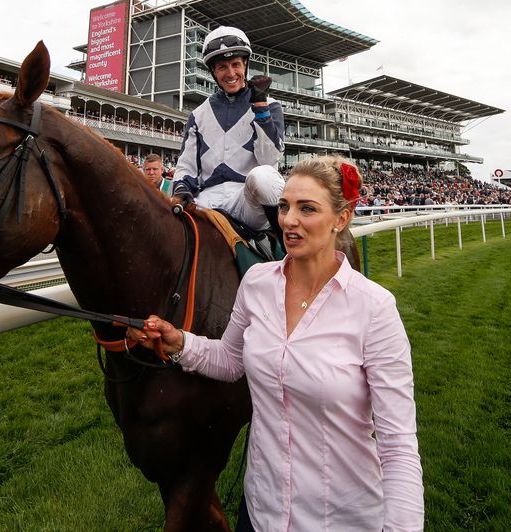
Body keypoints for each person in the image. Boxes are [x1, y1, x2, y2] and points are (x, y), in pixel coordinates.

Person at [128, 156, 423, 531]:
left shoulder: (375, 309)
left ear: (341, 219)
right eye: (284, 206)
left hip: (341, 518)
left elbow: (398, 447)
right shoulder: (256, 283)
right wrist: (179, 342)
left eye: (307, 209)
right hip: (260, 511)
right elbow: (231, 359)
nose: (288, 220)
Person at [172, 26, 285, 232]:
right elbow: (186, 165)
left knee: (264, 177)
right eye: (222, 67)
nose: (230, 73)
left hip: (247, 200)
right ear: (214, 72)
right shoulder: (198, 114)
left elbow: (269, 160)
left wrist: (260, 108)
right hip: (207, 198)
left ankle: (287, 250)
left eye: (235, 65)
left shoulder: (269, 105)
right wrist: (181, 186)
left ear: (245, 66)